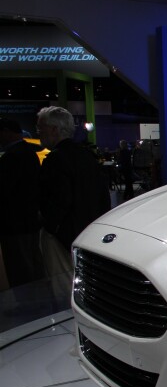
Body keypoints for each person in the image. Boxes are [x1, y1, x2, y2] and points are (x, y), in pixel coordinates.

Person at [36, 106, 111, 275]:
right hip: (88, 231)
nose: (39, 133)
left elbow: (59, 199)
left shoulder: (55, 159)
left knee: (62, 282)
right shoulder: (87, 156)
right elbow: (102, 196)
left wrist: (51, 227)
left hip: (62, 235)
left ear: (54, 129)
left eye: (41, 128)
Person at [0, 117, 45, 287]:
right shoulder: (29, 153)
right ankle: (40, 300)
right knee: (32, 260)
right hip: (30, 218)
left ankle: (28, 305)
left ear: (6, 132)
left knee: (20, 264)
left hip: (14, 221)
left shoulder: (12, 157)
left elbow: (6, 190)